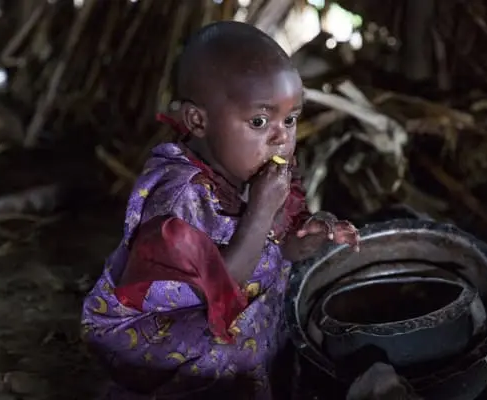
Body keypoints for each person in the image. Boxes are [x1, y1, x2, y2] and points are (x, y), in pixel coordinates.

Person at [81, 21, 359, 399]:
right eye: (259, 121)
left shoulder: (258, 170)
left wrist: (312, 235)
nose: (281, 137)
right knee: (230, 352)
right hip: (150, 327)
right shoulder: (179, 197)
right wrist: (261, 210)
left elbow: (281, 249)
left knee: (293, 311)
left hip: (229, 303)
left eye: (290, 120)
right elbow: (218, 286)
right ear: (199, 121)